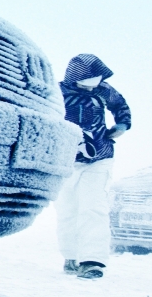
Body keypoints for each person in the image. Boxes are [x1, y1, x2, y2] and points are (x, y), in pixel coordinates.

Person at [55, 53, 131, 280]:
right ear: (77, 77)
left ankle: (92, 261)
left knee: (93, 208)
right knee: (67, 210)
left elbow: (120, 105)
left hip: (100, 157)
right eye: (89, 81)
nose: (93, 86)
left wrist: (122, 124)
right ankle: (71, 256)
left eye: (97, 80)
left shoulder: (103, 90)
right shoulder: (56, 93)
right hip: (64, 160)